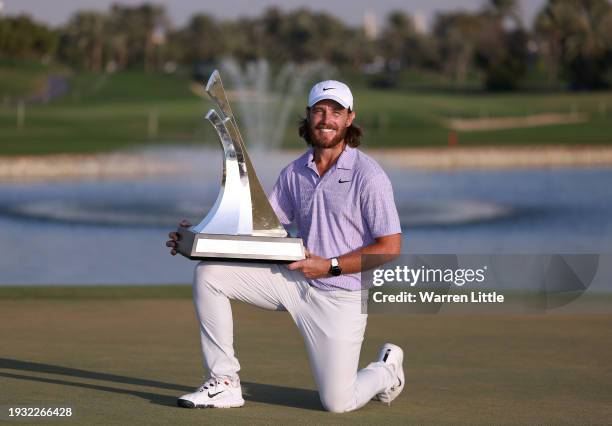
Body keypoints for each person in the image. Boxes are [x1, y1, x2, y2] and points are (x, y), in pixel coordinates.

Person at [166, 79, 404, 413]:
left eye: (336, 112)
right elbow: (257, 230)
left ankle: (386, 370)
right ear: (308, 117)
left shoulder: (369, 176)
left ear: (349, 119)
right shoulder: (295, 173)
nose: (326, 119)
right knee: (209, 275)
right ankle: (224, 382)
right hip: (292, 280)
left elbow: (391, 247)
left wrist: (329, 265)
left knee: (338, 402)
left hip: (339, 295)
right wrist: (200, 237)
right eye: (319, 111)